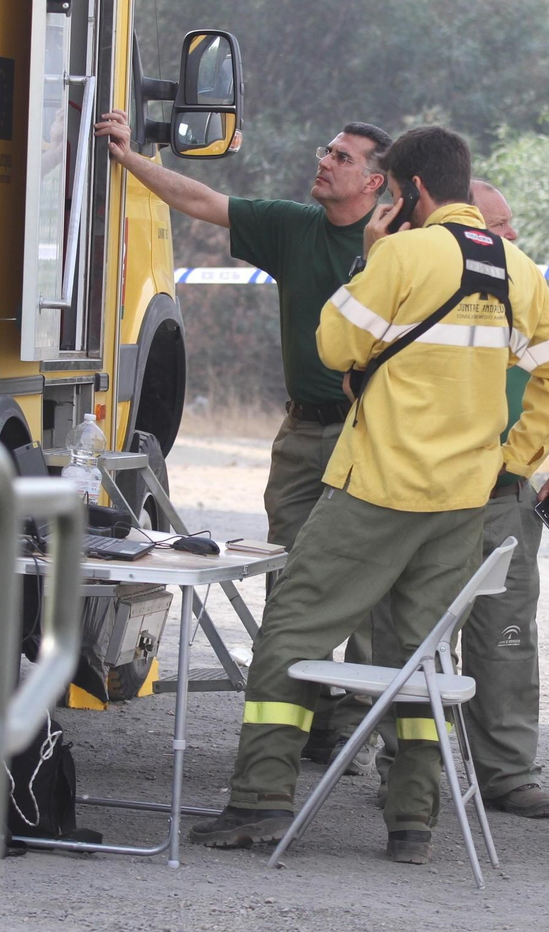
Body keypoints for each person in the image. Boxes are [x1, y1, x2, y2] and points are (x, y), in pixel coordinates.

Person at [187, 126, 549, 864]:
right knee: (418, 657)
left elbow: (334, 346)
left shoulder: (401, 253)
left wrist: (370, 258)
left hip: (375, 488)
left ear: (412, 193)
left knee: (290, 632)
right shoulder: (517, 268)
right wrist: (514, 456)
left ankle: (259, 800)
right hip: (464, 500)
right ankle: (413, 821)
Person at [95, 111, 388, 769]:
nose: (324, 160)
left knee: (372, 580)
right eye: (327, 148)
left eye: (341, 157)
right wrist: (127, 157)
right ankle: (294, 723)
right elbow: (203, 201)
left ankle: (353, 729)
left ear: (376, 184)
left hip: (376, 435)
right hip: (302, 433)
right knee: (286, 574)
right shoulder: (294, 227)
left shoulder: (402, 248)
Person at [371, 179, 549, 820]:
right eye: (501, 223)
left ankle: (508, 773)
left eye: (512, 222)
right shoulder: (418, 285)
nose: (512, 235)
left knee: (508, 634)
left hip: (505, 494)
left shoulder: (526, 289)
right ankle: (403, 771)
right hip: (430, 491)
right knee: (417, 631)